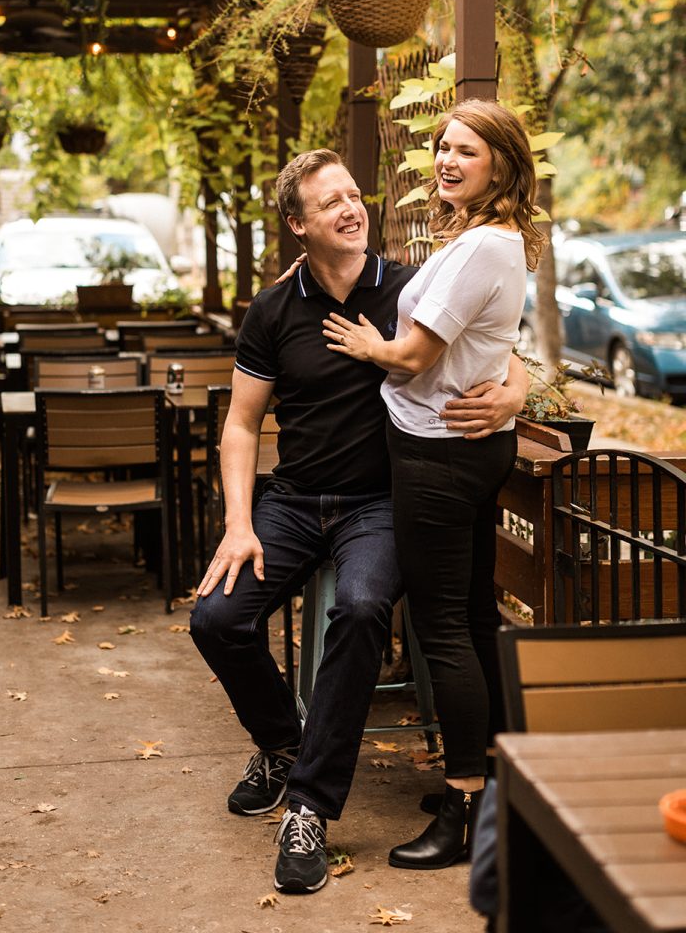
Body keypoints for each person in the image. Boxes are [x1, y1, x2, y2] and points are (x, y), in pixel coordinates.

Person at [189, 146, 528, 895]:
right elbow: (241, 425)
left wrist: (516, 393)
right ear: (297, 225)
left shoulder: (408, 288)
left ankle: (309, 806)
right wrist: (240, 523)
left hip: (381, 502)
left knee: (365, 605)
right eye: (329, 203)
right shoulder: (274, 309)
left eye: (353, 195)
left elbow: (496, 342)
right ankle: (285, 746)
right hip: (293, 500)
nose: (351, 209)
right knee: (215, 619)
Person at [324, 99, 545, 871]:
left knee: (442, 627)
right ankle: (495, 778)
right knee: (474, 617)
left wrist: (369, 345)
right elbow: (491, 342)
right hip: (462, 449)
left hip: (439, 456)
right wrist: (513, 385)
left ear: (502, 165)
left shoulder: (484, 245)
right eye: (444, 147)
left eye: (467, 151)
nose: (448, 160)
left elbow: (416, 356)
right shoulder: (486, 240)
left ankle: (465, 805)